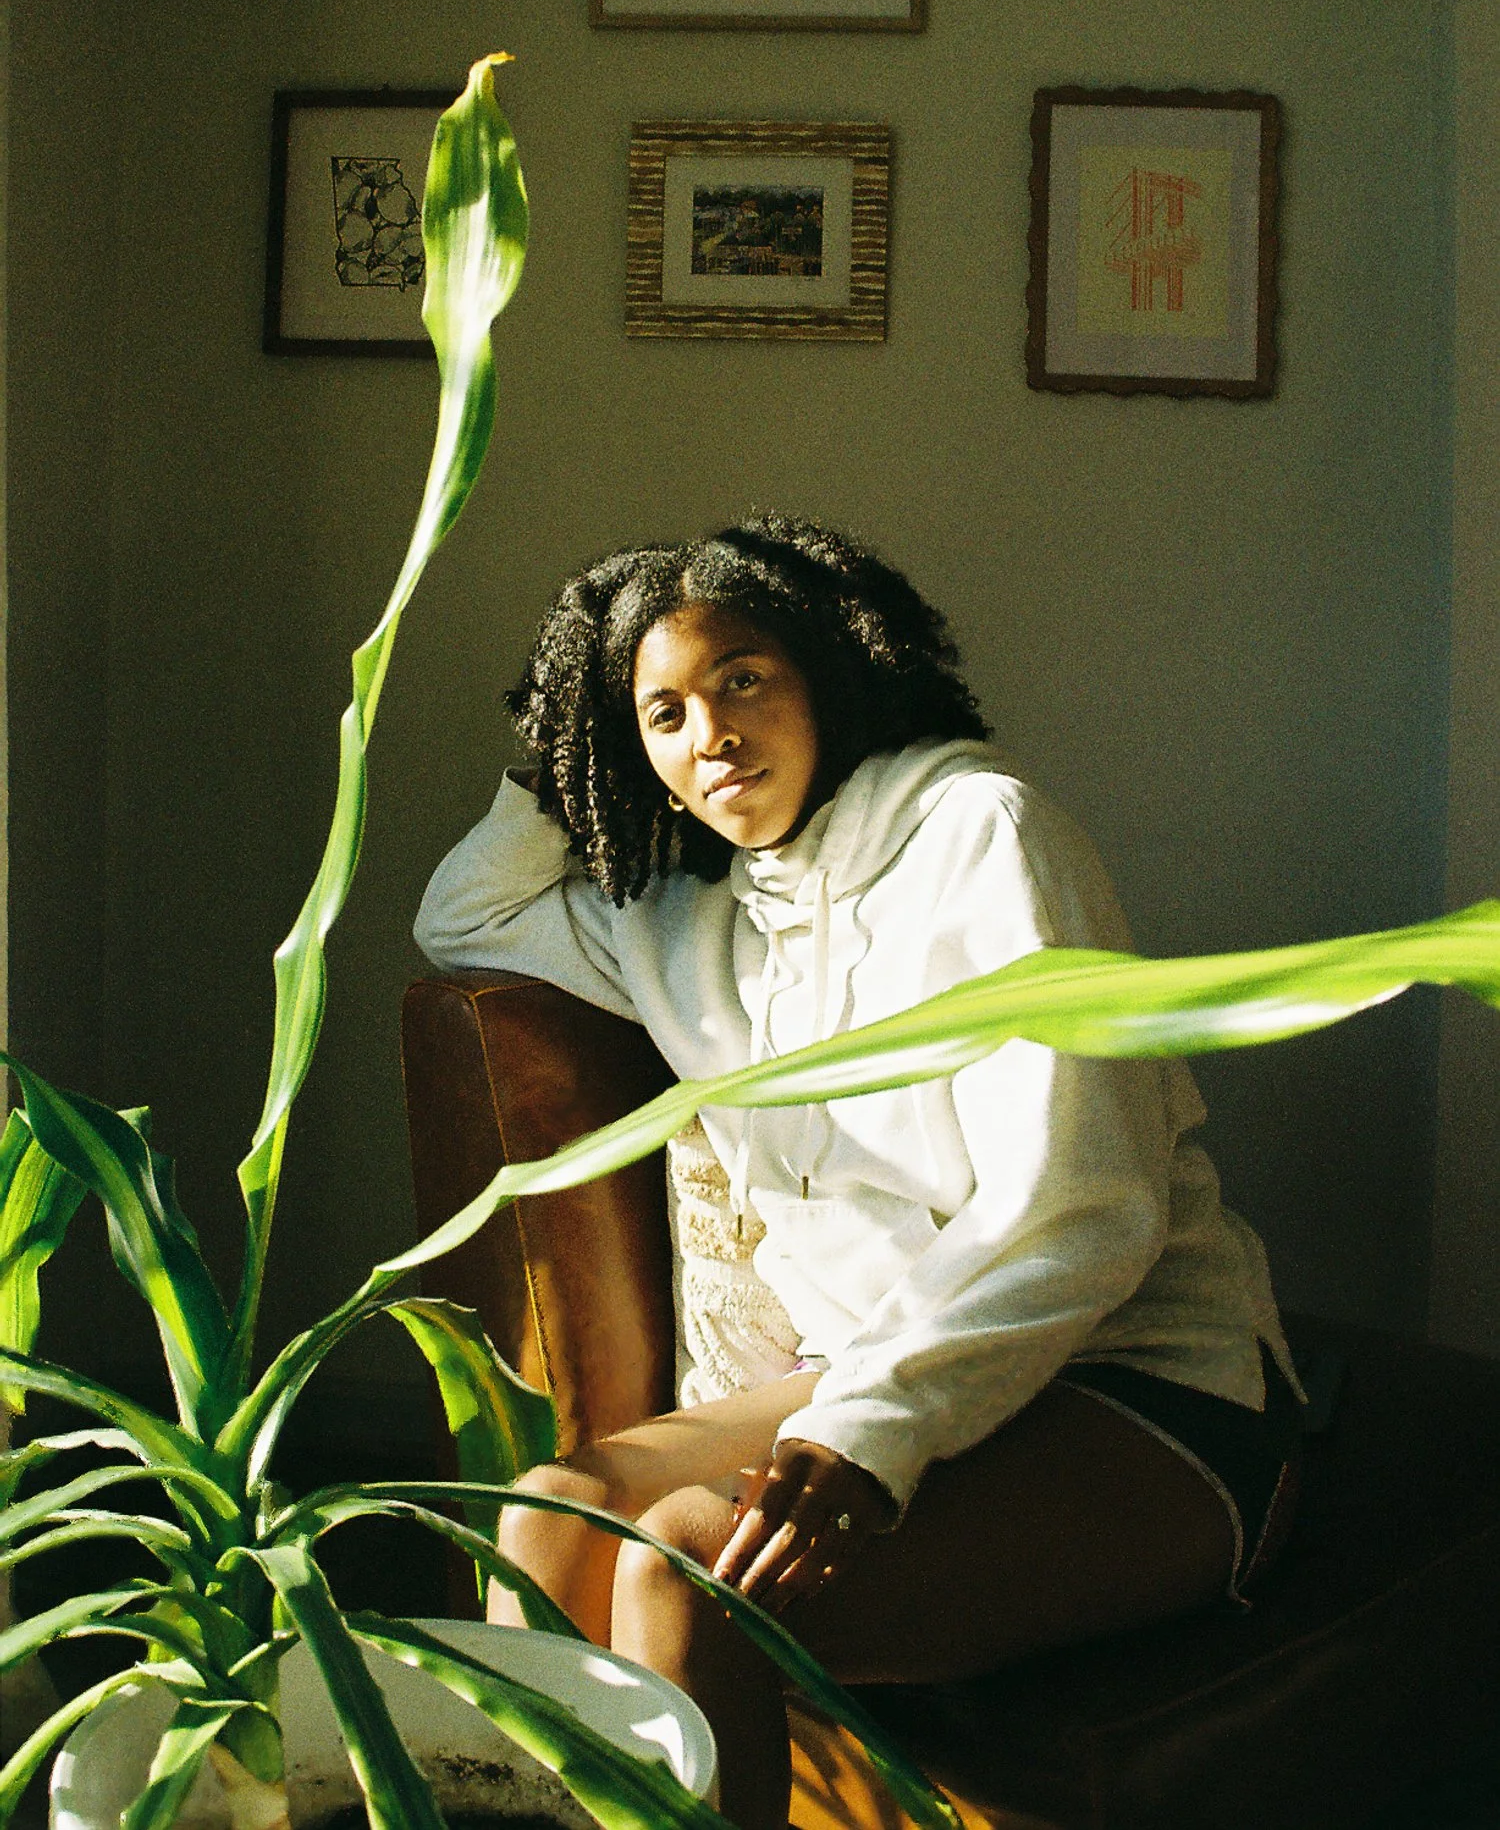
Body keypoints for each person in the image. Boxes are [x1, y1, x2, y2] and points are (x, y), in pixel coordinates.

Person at [414, 516, 1304, 1830]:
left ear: (830, 672)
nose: (710, 732)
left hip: (1135, 1378)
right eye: (662, 713)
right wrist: (570, 745)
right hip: (871, 1381)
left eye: (743, 680)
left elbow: (1082, 1205)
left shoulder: (983, 833)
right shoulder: (694, 918)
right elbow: (464, 918)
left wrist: (866, 1431)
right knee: (552, 1511)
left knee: (681, 1570)